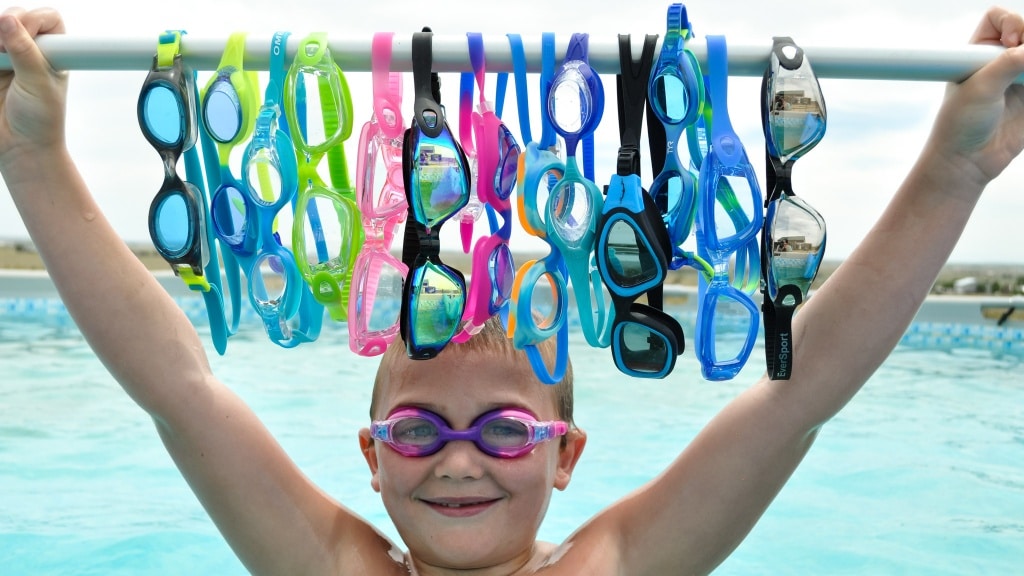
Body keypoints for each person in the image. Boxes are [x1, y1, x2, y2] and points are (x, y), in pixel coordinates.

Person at [1, 6, 1023, 575]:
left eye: (501, 430)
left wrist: (953, 170)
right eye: (414, 430)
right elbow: (180, 389)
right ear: (370, 455)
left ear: (566, 455)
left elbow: (803, 392)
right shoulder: (332, 569)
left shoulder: (613, 567)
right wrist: (34, 161)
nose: (455, 462)